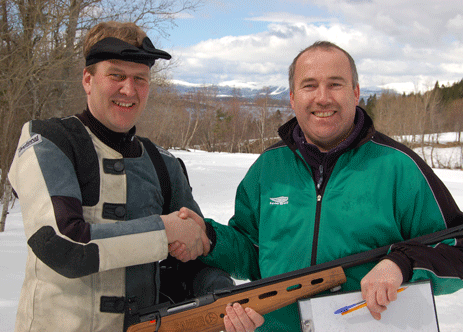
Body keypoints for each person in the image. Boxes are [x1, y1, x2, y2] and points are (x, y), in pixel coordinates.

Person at [173, 41, 463, 331]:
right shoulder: (269, 168)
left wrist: (401, 264)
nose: (323, 98)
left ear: (356, 92)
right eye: (309, 86)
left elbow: (457, 249)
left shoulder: (399, 167)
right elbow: (252, 249)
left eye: (335, 84)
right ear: (292, 97)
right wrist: (210, 237)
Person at [8, 21, 232, 332]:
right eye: (116, 75)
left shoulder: (163, 163)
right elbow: (62, 245)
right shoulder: (49, 142)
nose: (129, 89)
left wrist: (224, 296)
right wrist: (164, 230)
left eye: (140, 78)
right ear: (88, 79)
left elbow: (194, 253)